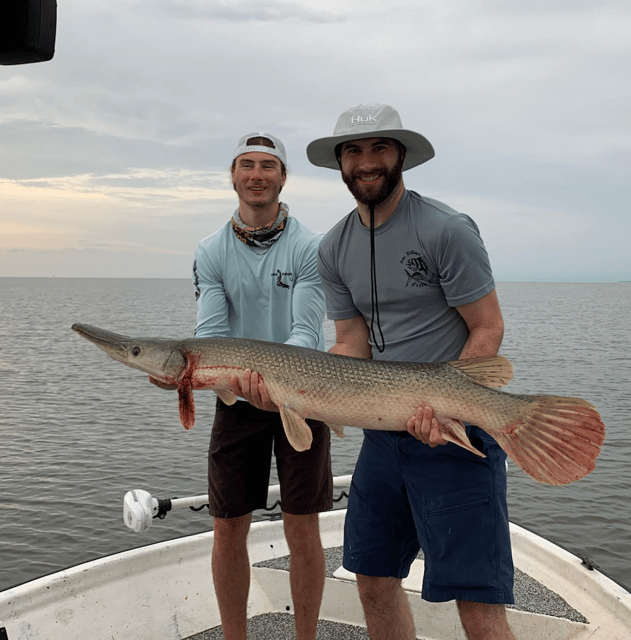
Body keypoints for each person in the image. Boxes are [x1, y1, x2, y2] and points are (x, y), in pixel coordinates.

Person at [306, 104, 516, 640]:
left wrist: (448, 406)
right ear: (340, 163)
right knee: (373, 580)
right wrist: (297, 382)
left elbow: (487, 329)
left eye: (379, 148)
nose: (366, 161)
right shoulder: (332, 248)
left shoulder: (447, 230)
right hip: (384, 440)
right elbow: (351, 343)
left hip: (455, 437)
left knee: (477, 604)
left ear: (400, 155)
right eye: (353, 151)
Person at [155, 132, 333, 640]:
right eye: (247, 165)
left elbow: (305, 331)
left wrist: (274, 382)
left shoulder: (309, 246)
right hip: (235, 397)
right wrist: (189, 374)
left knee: (303, 524)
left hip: (301, 390)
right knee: (228, 523)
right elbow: (210, 334)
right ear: (232, 176)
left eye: (268, 166)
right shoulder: (211, 250)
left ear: (282, 177)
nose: (257, 175)